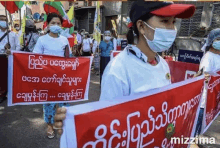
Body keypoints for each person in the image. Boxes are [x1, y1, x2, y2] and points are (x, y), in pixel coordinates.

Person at [54, 0, 195, 136]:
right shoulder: (118, 70)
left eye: (173, 22)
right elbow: (106, 125)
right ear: (141, 27)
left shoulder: (163, 65)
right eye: (165, 21)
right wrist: (76, 125)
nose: (172, 29)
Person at [33, 13, 72, 139]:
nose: (56, 25)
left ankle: (61, 124)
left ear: (61, 26)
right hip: (47, 78)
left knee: (63, 103)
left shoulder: (64, 40)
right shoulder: (42, 40)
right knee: (49, 104)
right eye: (53, 23)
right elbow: (35, 58)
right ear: (48, 25)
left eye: (58, 23)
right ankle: (50, 125)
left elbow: (68, 58)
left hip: (63, 78)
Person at [194, 28, 220, 137]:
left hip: (213, 100)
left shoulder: (218, 57)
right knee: (194, 132)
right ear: (212, 42)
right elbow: (205, 77)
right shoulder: (208, 57)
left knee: (201, 131)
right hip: (204, 102)